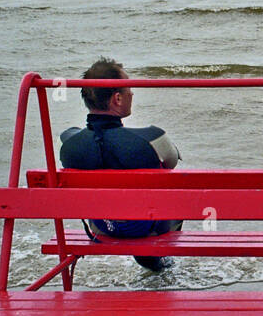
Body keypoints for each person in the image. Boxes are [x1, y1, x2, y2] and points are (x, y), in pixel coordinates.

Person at [59, 58, 181, 272]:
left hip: (100, 228)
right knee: (174, 192)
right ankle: (157, 263)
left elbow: (72, 133)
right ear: (117, 98)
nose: (132, 94)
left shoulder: (69, 145)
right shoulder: (151, 138)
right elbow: (172, 160)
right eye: (129, 89)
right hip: (147, 228)